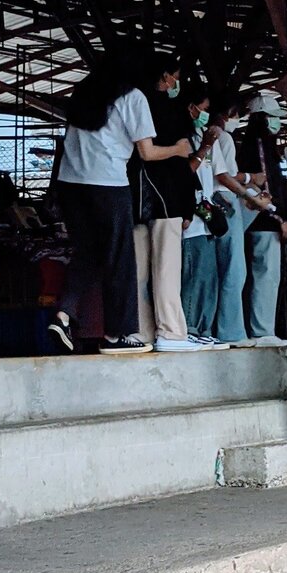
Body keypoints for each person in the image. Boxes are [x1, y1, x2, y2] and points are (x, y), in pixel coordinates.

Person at [48, 56, 190, 353]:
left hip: (71, 185)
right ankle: (120, 334)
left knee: (87, 252)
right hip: (107, 185)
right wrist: (178, 149)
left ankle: (63, 315)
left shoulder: (84, 91)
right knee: (120, 258)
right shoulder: (132, 97)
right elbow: (147, 153)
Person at [134, 58, 205, 353]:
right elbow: (168, 160)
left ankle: (141, 331)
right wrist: (178, 149)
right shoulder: (168, 111)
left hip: (135, 197)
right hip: (166, 198)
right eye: (176, 78)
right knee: (166, 267)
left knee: (139, 269)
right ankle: (172, 332)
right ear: (166, 77)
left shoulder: (135, 103)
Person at [234, 90, 287, 346]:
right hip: (264, 220)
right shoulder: (261, 145)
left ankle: (259, 328)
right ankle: (262, 330)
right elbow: (265, 186)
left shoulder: (254, 143)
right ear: (263, 118)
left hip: (257, 219)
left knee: (258, 275)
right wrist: (279, 217)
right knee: (266, 275)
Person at [178, 81, 222, 344]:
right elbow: (185, 173)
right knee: (193, 278)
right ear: (191, 107)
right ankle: (190, 329)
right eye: (202, 109)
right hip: (190, 220)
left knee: (208, 279)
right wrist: (205, 147)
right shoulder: (183, 139)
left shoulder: (198, 134)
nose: (205, 114)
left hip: (204, 217)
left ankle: (203, 330)